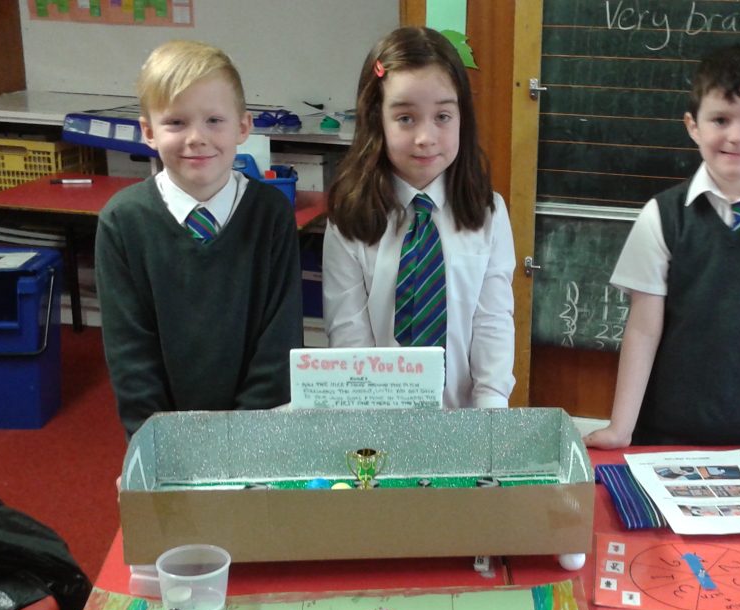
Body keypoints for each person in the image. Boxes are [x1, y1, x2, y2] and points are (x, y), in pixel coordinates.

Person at [584, 44, 740, 477]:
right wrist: (620, 427)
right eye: (720, 120)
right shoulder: (662, 215)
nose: (737, 136)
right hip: (661, 430)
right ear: (693, 126)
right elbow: (643, 328)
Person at [96, 40, 302, 436]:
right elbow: (130, 357)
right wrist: (160, 441)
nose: (196, 137)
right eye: (176, 122)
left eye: (214, 120)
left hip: (257, 436)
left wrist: (243, 438)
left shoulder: (271, 215)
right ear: (148, 131)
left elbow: (279, 345)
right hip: (166, 440)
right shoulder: (123, 222)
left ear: (243, 127)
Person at [322, 26, 516, 409]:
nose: (425, 137)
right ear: (377, 120)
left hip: (467, 418)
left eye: (442, 116)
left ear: (462, 118)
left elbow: (492, 322)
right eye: (406, 118)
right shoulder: (350, 218)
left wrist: (490, 413)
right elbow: (348, 336)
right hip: (376, 418)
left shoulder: (487, 213)